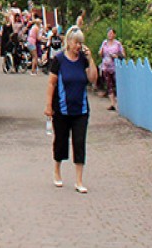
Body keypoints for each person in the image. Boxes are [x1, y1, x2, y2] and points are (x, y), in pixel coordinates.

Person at [44, 26, 98, 194]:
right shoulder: (59, 60)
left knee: (79, 142)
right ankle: (57, 170)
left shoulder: (82, 60)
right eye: (76, 42)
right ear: (68, 42)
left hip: (80, 110)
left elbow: (93, 79)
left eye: (80, 43)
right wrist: (48, 106)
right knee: (60, 140)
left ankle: (79, 180)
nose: (78, 46)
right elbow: (51, 83)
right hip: (61, 109)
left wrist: (91, 60)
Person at [98, 28, 125, 111]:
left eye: (111, 33)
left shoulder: (118, 44)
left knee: (116, 84)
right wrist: (101, 52)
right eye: (108, 33)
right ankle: (112, 103)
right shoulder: (104, 43)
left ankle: (119, 102)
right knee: (109, 85)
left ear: (114, 35)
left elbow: (123, 55)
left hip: (115, 67)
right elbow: (100, 53)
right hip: (106, 67)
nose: (109, 35)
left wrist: (116, 56)